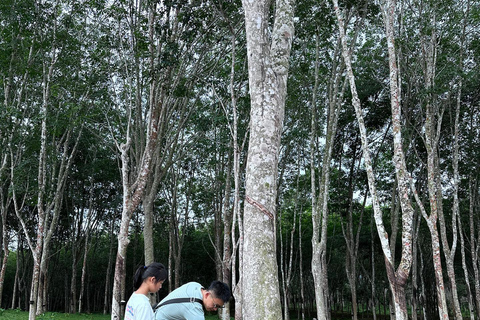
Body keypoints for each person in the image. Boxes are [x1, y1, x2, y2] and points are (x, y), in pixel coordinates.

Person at [154, 280, 231, 320]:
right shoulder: (194, 308)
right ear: (207, 294)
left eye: (218, 307)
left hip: (156, 312)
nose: (215, 309)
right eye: (215, 305)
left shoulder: (195, 285)